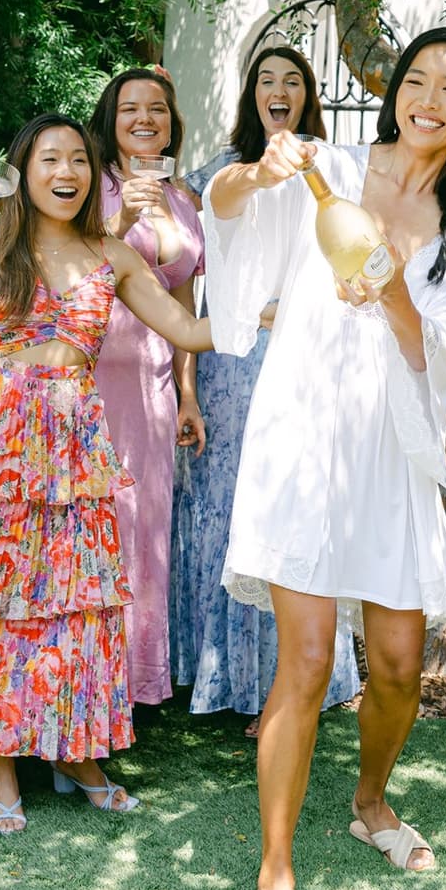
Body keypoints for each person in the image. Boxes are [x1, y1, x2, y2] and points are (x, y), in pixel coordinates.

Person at [203, 27, 446, 890]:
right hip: (303, 434)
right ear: (395, 92)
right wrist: (256, 177)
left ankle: (370, 798)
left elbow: (433, 351)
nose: (428, 97)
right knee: (301, 663)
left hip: (388, 448)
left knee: (400, 665)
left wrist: (383, 285)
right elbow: (223, 210)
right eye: (416, 78)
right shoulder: (327, 166)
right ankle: (275, 880)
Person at [0, 115, 212, 836]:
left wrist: (276, 312)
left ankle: (76, 753)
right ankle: (1, 764)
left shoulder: (113, 254)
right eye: (49, 159)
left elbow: (188, 330)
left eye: (78, 160)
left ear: (95, 176)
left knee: (73, 600)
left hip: (71, 442)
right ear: (23, 171)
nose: (65, 171)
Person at [172, 46, 360, 736]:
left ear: (309, 95)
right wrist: (188, 384)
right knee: (228, 512)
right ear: (252, 93)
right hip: (231, 364)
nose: (278, 90)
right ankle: (218, 673)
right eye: (266, 81)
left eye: (293, 81)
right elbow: (196, 270)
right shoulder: (222, 170)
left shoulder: (335, 170)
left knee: (294, 512)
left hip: (307, 359)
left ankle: (290, 683)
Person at [88, 65, 205, 711]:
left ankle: (133, 684)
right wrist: (114, 220)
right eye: (130, 108)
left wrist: (187, 393)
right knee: (99, 526)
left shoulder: (183, 197)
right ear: (110, 121)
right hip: (93, 382)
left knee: (146, 534)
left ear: (171, 123)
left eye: (156, 108)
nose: (144, 118)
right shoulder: (89, 187)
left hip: (156, 387)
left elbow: (185, 293)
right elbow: (66, 272)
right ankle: (87, 680)